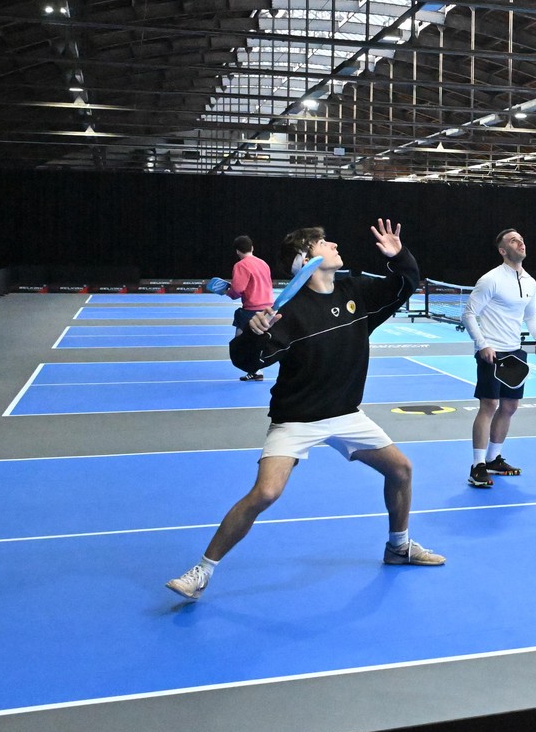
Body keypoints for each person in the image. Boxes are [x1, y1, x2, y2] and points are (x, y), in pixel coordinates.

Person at [166, 219, 438, 602]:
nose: (334, 243)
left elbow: (403, 287)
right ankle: (202, 571)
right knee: (265, 493)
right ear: (304, 260)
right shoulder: (288, 313)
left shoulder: (356, 291)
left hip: (345, 413)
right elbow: (246, 362)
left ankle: (398, 547)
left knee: (402, 470)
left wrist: (400, 257)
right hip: (296, 418)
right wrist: (252, 333)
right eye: (323, 242)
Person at [460, 228, 536, 489]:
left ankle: (493, 459)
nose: (520, 242)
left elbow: (531, 315)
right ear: (503, 250)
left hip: (515, 351)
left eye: (522, 239)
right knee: (489, 406)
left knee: (509, 407)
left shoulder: (530, 281)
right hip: (492, 351)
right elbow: (468, 314)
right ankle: (477, 466)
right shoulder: (491, 280)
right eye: (513, 240)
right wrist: (483, 344)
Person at [225, 234, 273, 381]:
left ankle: (253, 369)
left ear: (237, 251)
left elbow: (237, 289)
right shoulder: (263, 263)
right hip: (268, 308)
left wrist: (227, 292)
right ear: (252, 248)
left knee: (240, 343)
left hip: (251, 310)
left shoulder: (241, 265)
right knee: (258, 342)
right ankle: (256, 371)